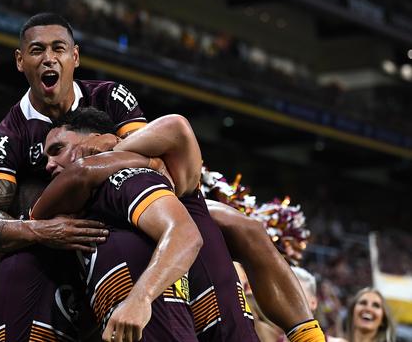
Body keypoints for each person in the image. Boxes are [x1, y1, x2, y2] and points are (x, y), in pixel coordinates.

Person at [29, 108, 326, 342]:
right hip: (166, 318)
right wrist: (128, 160)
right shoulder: (82, 201)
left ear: (96, 137)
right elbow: (72, 181)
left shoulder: (149, 179)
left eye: (57, 149)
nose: (48, 165)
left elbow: (177, 127)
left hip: (200, 313)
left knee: (238, 226)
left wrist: (118, 153)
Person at [0, 12, 149, 340]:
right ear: (20, 61)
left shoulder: (110, 98)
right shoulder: (10, 135)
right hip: (57, 261)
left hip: (125, 229)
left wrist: (97, 159)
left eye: (58, 49)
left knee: (241, 229)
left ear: (74, 56)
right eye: (37, 51)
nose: (49, 58)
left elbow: (154, 160)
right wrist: (42, 230)